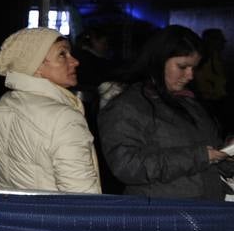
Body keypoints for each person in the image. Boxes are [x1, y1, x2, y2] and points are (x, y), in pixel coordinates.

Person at [100, 25, 234, 201]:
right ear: (159, 60)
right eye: (182, 66)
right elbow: (127, 166)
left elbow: (209, 154)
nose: (190, 75)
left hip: (203, 209)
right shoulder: (128, 106)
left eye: (194, 68)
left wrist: (226, 155)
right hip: (162, 214)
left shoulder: (189, 101)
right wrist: (200, 156)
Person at [0, 28, 101, 193]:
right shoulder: (65, 119)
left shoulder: (2, 106)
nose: (74, 62)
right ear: (35, 66)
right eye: (62, 55)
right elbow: (82, 199)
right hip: (55, 217)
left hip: (15, 216)